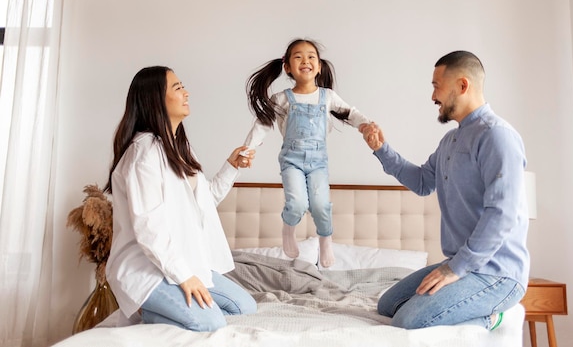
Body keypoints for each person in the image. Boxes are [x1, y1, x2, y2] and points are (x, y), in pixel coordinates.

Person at [359, 51, 529, 330]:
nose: (432, 96)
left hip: (496, 273)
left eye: (436, 86)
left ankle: (495, 316)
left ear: (462, 86)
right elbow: (423, 182)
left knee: (408, 319)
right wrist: (381, 149)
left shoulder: (497, 136)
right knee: (388, 305)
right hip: (463, 266)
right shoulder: (451, 140)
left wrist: (454, 269)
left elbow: (501, 214)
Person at [104, 66, 257, 332]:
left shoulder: (179, 147)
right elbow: (148, 226)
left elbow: (203, 203)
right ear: (155, 99)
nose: (186, 92)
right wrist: (185, 278)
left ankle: (165, 308)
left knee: (244, 306)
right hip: (146, 269)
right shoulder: (144, 153)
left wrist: (231, 167)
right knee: (210, 322)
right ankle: (146, 310)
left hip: (181, 262)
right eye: (177, 88)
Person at [243, 38, 371, 268]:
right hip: (291, 160)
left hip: (318, 162)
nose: (306, 60)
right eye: (298, 56)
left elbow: (350, 113)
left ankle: (325, 239)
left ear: (319, 66)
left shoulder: (327, 97)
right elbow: (262, 126)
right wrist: (248, 150)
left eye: (311, 56)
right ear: (288, 67)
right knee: (297, 203)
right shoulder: (282, 99)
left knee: (321, 205)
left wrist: (366, 125)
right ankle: (288, 230)